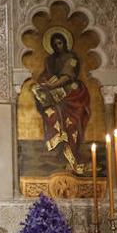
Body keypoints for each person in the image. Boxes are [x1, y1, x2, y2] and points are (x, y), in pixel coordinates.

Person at [31, 31, 90, 174]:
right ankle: (60, 152)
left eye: (60, 43)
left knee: (73, 124)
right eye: (54, 44)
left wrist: (53, 85)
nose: (57, 46)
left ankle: (74, 156)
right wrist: (45, 83)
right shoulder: (50, 60)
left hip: (73, 94)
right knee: (53, 116)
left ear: (65, 43)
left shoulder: (71, 58)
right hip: (55, 94)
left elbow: (68, 75)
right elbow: (45, 75)